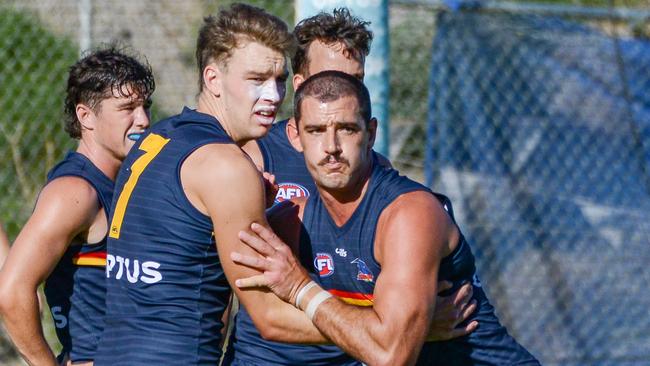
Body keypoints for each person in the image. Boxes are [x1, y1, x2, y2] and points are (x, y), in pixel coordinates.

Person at [232, 70, 541, 365]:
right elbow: (270, 320)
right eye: (315, 131)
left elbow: (391, 356)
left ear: (371, 134)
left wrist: (301, 289)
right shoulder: (294, 220)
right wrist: (254, 206)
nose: (331, 148)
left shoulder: (408, 214)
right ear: (296, 137)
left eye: (347, 129)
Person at [229, 8, 477, 365]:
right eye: (332, 78)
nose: (347, 91)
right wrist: (389, 331)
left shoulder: (376, 174)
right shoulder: (252, 160)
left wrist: (406, 327)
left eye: (357, 80)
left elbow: (390, 317)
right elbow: (239, 293)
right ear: (300, 84)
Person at [93, 4, 294, 365]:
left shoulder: (156, 139)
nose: (274, 96)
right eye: (257, 80)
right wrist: (379, 325)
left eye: (280, 79)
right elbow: (269, 318)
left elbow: (180, 247)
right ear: (213, 79)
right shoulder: (226, 166)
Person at [0, 47, 154, 366]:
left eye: (145, 106)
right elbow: (12, 292)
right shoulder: (75, 191)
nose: (143, 119)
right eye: (128, 108)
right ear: (86, 117)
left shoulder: (131, 178)